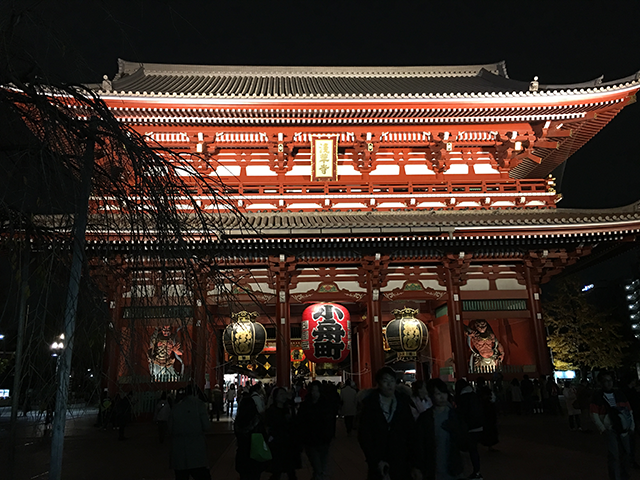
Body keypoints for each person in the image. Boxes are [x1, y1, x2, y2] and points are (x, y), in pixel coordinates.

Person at [358, 367, 421, 480]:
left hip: (402, 459)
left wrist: (415, 463)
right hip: (379, 460)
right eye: (385, 381)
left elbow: (412, 433)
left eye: (392, 381)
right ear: (378, 383)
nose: (389, 385)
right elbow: (365, 436)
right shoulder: (370, 405)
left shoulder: (403, 403)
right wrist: (375, 460)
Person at [416, 378, 467, 480]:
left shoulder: (455, 415)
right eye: (438, 393)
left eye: (444, 393)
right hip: (432, 467)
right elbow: (419, 444)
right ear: (431, 395)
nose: (442, 397)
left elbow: (464, 442)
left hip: (453, 467)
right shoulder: (425, 418)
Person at [591, 371, 635, 480]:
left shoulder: (619, 394)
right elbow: (594, 414)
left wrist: (631, 426)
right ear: (601, 383)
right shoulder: (597, 396)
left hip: (623, 427)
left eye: (610, 380)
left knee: (626, 453)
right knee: (614, 456)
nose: (608, 383)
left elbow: (629, 411)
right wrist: (602, 428)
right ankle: (616, 477)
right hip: (609, 429)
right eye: (605, 381)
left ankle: (624, 476)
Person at [169, 385, 211, 480]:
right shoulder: (199, 405)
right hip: (196, 450)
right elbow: (207, 426)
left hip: (179, 451)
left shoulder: (176, 407)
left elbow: (170, 428)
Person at [297, 381, 334, 480]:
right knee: (317, 466)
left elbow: (330, 422)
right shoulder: (305, 406)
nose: (315, 393)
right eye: (313, 391)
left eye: (317, 391)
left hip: (323, 439)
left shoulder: (325, 405)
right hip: (310, 440)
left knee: (321, 465)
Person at [266, 387, 301, 480]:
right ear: (275, 397)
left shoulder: (289, 409)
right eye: (281, 394)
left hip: (289, 443)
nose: (283, 396)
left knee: (290, 471)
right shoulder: (272, 411)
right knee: (278, 470)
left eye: (284, 394)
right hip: (277, 443)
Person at [455, 379, 484, 480]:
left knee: (470, 451)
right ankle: (477, 471)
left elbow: (461, 414)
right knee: (474, 450)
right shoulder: (474, 395)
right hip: (478, 426)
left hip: (469, 427)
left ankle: (475, 472)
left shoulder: (463, 398)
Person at [234, 395, 267, 480]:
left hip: (242, 454)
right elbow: (264, 435)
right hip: (255, 453)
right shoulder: (257, 420)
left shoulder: (238, 422)